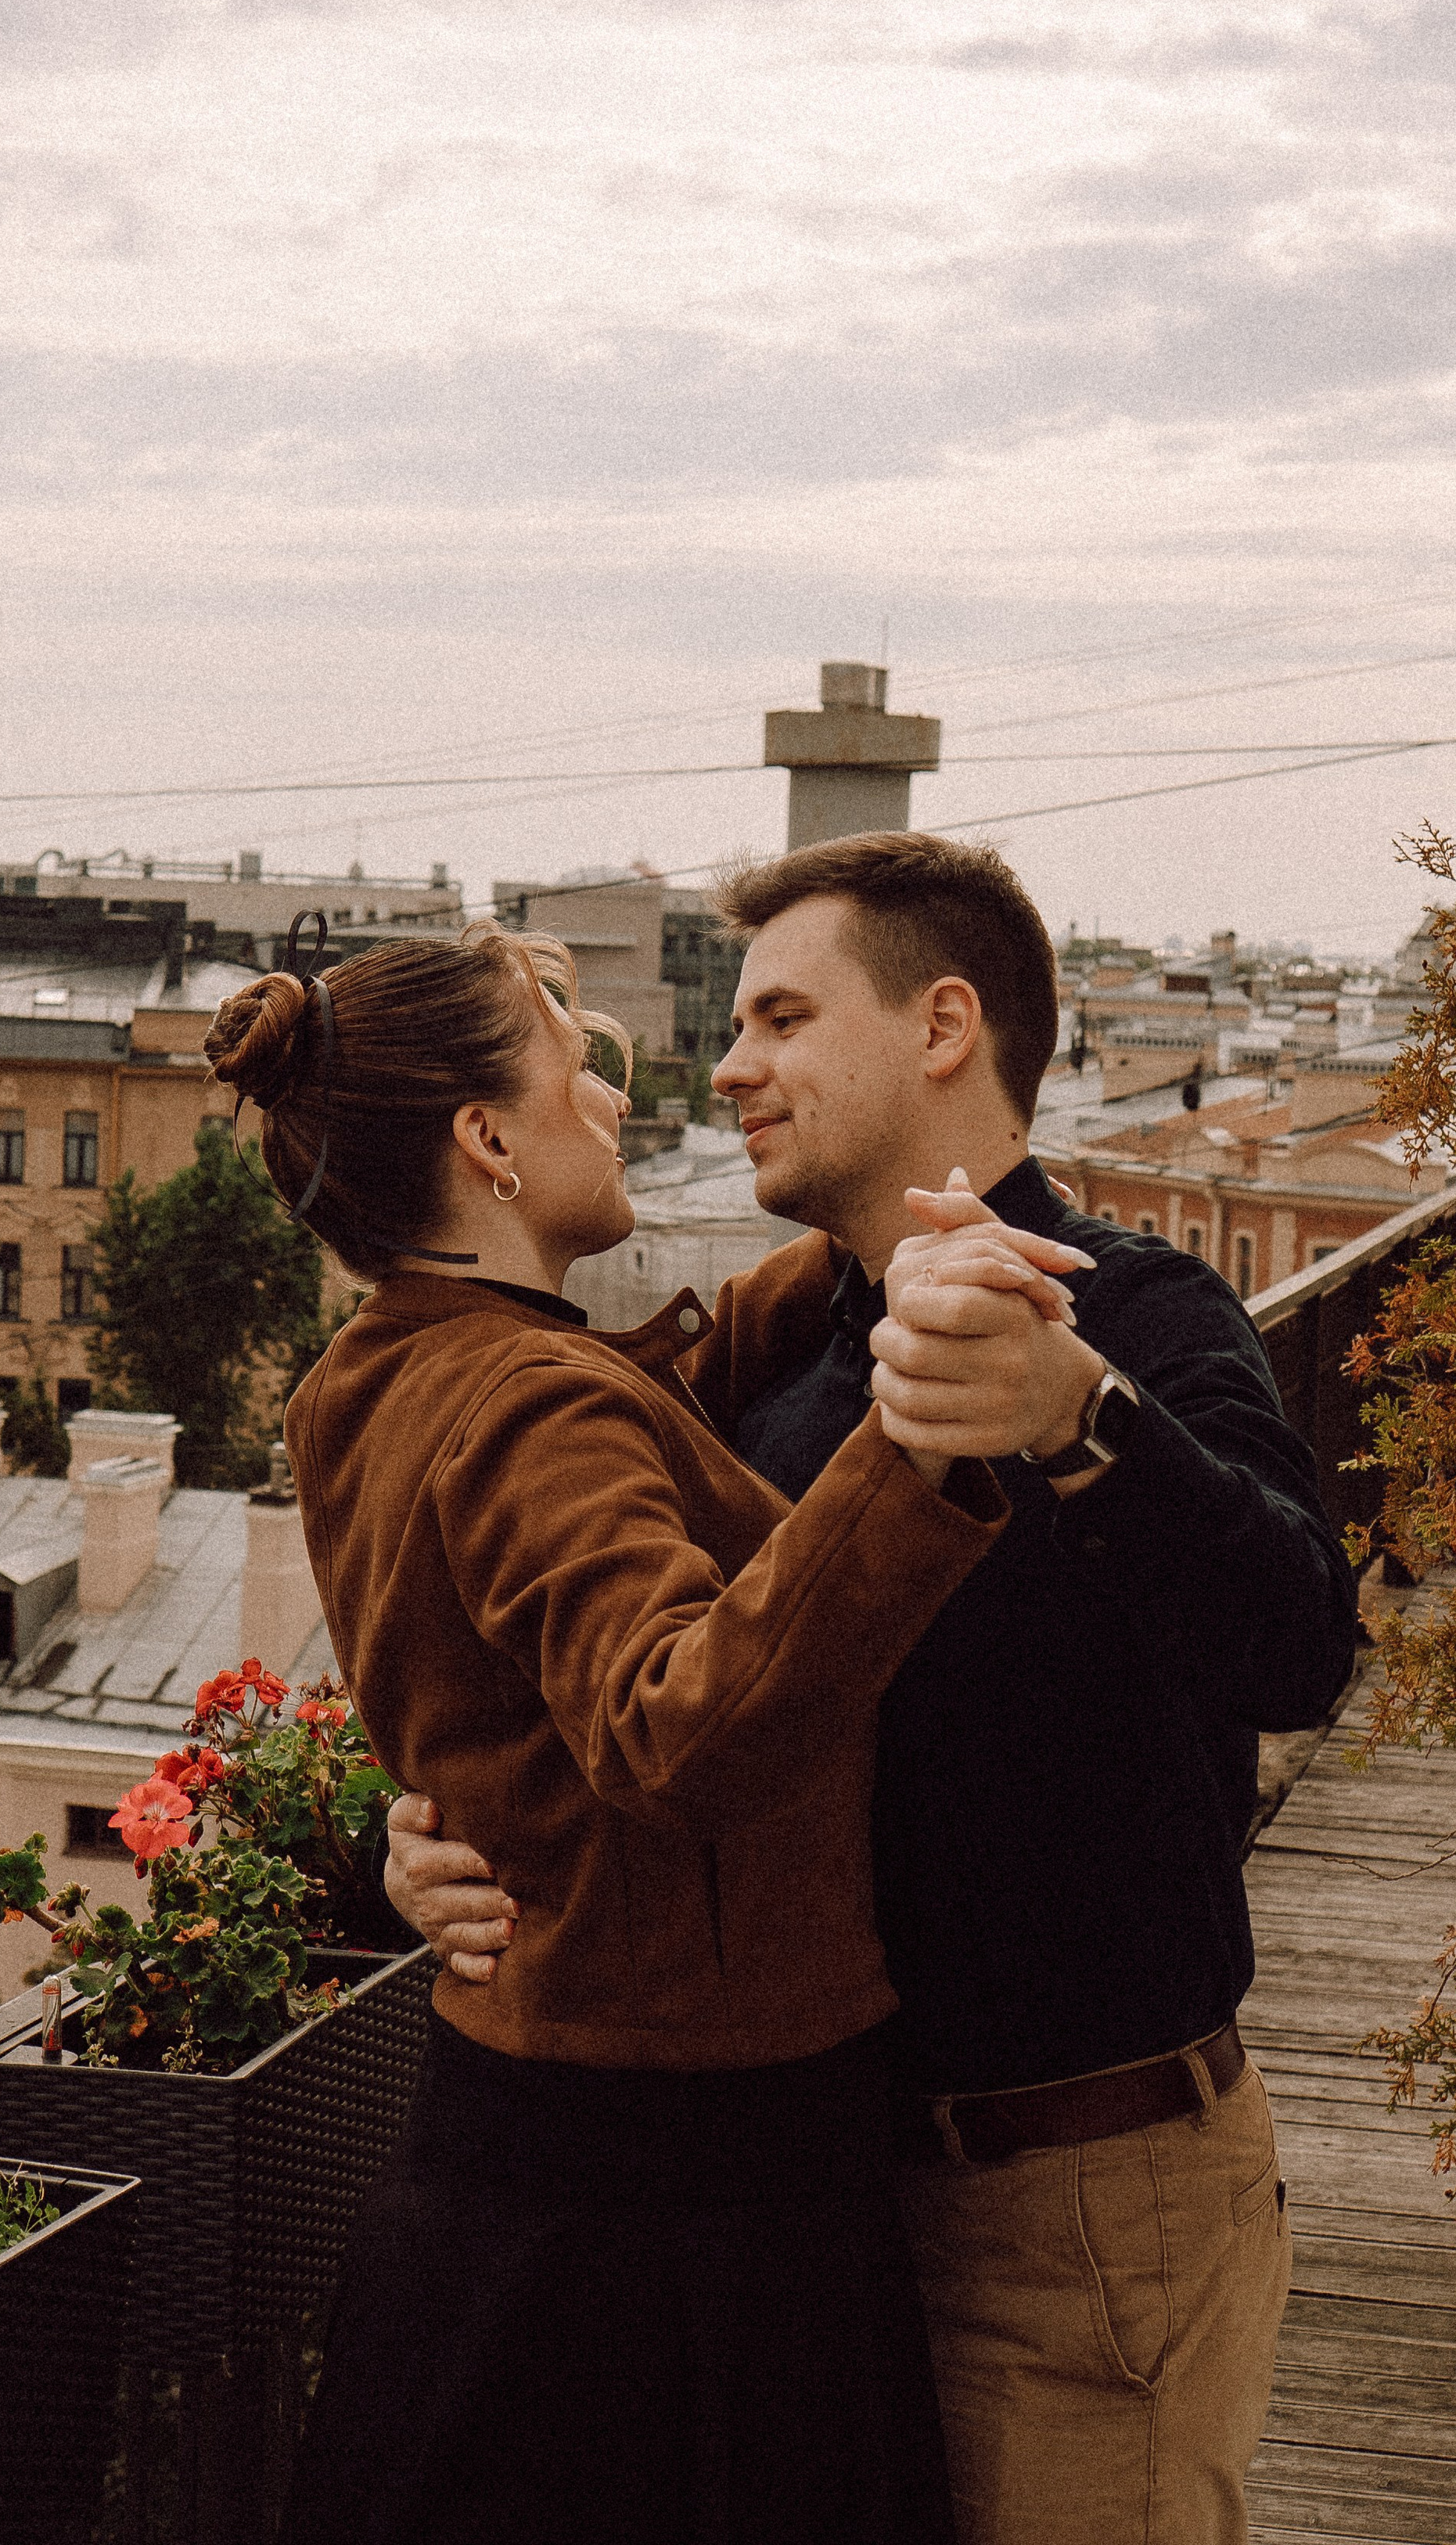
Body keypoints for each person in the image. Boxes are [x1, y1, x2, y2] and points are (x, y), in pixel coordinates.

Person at [387, 831, 1356, 2545]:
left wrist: (1077, 1417)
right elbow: (663, 1710)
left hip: (1066, 2213)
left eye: (777, 1017)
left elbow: (1298, 1645)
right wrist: (417, 1841)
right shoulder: (788, 1364)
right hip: (802, 2216)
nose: (730, 1067)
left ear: (940, 1028)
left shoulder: (1130, 1308)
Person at [202, 915, 1024, 2545]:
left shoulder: (381, 1373)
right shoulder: (527, 1404)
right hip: (682, 2205)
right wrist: (912, 1443)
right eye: (576, 1069)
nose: (617, 1097)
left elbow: (630, 1417)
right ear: (487, 1140)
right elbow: (674, 1731)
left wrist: (848, 1267)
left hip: (519, 2164)